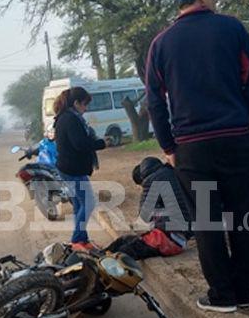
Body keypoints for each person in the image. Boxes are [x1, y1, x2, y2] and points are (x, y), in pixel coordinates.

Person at [145, 0, 249, 314]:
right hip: (237, 141)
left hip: (193, 150)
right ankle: (246, 290)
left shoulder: (161, 44)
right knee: (246, 218)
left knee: (208, 223)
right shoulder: (232, 29)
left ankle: (222, 295)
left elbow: (154, 100)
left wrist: (169, 147)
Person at [53, 87, 110, 251]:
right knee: (88, 203)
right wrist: (101, 144)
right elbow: (80, 144)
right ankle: (77, 240)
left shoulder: (67, 117)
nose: (86, 109)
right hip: (73, 170)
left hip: (69, 168)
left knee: (79, 205)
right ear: (76, 103)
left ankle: (83, 240)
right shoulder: (70, 119)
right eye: (84, 105)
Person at [105, 156, 194, 260]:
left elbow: (144, 217)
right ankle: (100, 256)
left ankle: (101, 262)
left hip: (167, 238)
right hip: (179, 236)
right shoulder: (173, 173)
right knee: (123, 241)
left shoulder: (151, 181)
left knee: (126, 251)